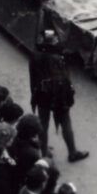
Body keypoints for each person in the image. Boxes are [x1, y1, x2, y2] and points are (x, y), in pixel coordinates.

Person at [29, 30, 89, 162]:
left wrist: (35, 94)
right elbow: (63, 81)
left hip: (41, 93)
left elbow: (33, 77)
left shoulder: (35, 56)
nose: (57, 40)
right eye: (55, 39)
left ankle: (44, 153)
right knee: (65, 122)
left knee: (43, 123)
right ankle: (72, 152)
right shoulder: (57, 59)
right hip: (58, 96)